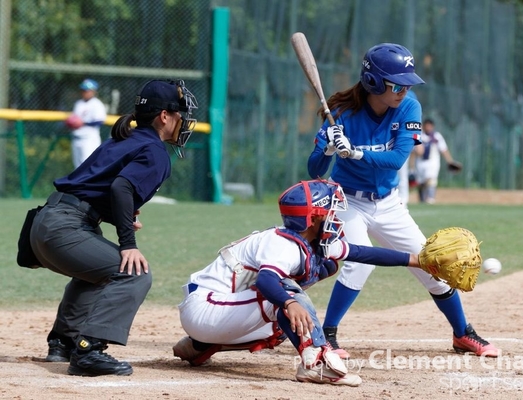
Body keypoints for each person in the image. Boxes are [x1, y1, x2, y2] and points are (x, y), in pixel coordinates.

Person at [307, 43, 498, 360]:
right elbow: (314, 171)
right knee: (358, 263)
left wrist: (355, 152)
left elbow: (396, 160)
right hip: (347, 203)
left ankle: (462, 333)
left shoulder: (409, 108)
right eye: (397, 83)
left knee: (433, 265)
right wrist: (326, 149)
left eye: (407, 83)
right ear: (374, 83)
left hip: (389, 204)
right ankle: (327, 337)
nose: (404, 89)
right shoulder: (341, 113)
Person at [173, 179, 430, 387]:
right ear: (314, 218)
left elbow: (363, 253)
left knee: (297, 308)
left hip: (217, 312)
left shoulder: (309, 242)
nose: (335, 217)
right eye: (330, 211)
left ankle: (200, 345)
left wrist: (418, 260)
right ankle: (316, 363)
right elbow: (266, 280)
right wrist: (288, 302)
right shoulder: (283, 244)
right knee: (287, 297)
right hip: (206, 307)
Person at [30, 79, 198, 376]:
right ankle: (89, 350)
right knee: (133, 273)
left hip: (46, 223)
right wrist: (128, 243)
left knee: (98, 273)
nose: (183, 121)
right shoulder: (155, 150)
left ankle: (63, 342)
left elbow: (97, 189)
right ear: (163, 116)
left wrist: (119, 215)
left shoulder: (124, 138)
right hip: (65, 228)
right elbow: (122, 188)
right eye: (179, 114)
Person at [413, 118, 461, 204]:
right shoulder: (419, 135)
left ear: (432, 126)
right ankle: (422, 200)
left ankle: (431, 198)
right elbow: (413, 152)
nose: (428, 127)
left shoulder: (436, 136)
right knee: (421, 182)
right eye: (426, 125)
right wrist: (411, 166)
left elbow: (444, 150)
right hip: (420, 162)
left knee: (431, 179)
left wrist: (450, 161)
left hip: (432, 162)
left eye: (429, 125)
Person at [66, 79, 108, 168]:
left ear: (93, 91)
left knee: (87, 167)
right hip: (76, 138)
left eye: (86, 90)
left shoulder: (97, 104)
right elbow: (75, 119)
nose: (84, 92)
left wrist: (83, 123)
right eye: (83, 90)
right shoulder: (78, 103)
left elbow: (100, 121)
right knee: (77, 168)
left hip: (89, 140)